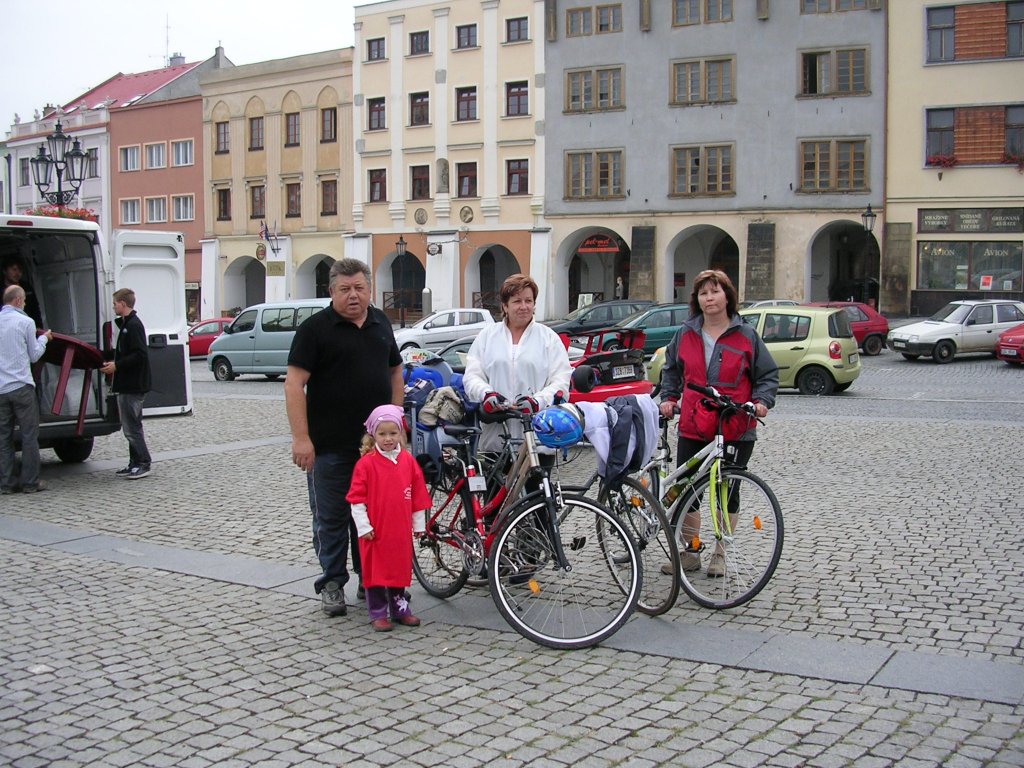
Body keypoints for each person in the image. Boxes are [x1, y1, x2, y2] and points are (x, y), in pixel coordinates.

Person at [285, 258, 404, 618]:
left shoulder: (380, 322)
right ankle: (332, 583)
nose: (353, 295)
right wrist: (301, 439)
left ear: (369, 288)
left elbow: (395, 371)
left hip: (375, 449)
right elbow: (294, 384)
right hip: (329, 447)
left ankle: (371, 580)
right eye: (345, 289)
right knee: (332, 519)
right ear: (331, 291)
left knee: (372, 518)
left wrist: (396, 421)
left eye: (359, 288)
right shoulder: (314, 329)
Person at [658, 269, 779, 577]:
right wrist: (669, 398)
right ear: (697, 300)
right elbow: (671, 369)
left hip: (735, 424)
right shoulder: (686, 333)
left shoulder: (746, 335)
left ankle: (721, 553)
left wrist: (762, 402)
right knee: (687, 490)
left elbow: (767, 374)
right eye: (703, 293)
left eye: (715, 291)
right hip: (694, 423)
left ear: (727, 296)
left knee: (728, 491)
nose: (709, 298)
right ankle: (691, 552)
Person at [462, 273, 572, 452]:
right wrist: (486, 394)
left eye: (528, 301)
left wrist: (537, 402)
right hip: (496, 439)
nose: (524, 307)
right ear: (505, 306)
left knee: (537, 471)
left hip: (538, 440)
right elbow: (472, 377)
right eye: (517, 301)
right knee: (497, 471)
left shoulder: (548, 338)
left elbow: (561, 381)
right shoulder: (487, 337)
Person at [347, 404, 430, 632]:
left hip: (399, 530)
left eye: (393, 433)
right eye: (382, 434)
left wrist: (419, 525)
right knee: (376, 571)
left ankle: (399, 607)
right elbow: (356, 500)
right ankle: (378, 611)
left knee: (398, 568)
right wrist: (363, 526)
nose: (388, 439)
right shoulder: (366, 464)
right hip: (375, 530)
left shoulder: (407, 461)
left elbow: (417, 496)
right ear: (373, 434)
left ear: (400, 433)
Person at [0, 285, 53, 494]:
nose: (24, 303)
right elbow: (34, 355)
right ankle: (30, 482)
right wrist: (44, 338)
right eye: (24, 300)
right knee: (29, 435)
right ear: (17, 300)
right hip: (22, 386)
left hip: (1, 389)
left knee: (3, 438)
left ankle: (6, 483)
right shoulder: (26, 322)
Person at [100, 288, 152, 480]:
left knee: (132, 428)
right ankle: (134, 463)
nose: (113, 307)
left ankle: (144, 463)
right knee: (130, 426)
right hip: (127, 384)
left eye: (115, 303)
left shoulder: (134, 325)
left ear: (123, 303)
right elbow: (123, 352)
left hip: (134, 385)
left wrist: (117, 365)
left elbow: (139, 354)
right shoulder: (126, 325)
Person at [2, 256, 42, 328]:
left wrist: (39, 327)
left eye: (19, 269)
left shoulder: (27, 288)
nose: (17, 273)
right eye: (14, 269)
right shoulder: (2, 290)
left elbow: (35, 310)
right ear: (5, 271)